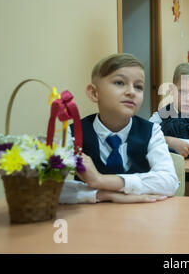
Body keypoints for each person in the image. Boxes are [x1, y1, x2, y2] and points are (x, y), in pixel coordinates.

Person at [59, 53, 179, 204]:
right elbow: (48, 188)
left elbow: (169, 182)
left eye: (139, 86)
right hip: (89, 221)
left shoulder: (152, 131)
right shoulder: (74, 133)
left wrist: (100, 181)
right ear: (94, 93)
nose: (131, 92)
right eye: (119, 82)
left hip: (142, 218)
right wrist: (103, 194)